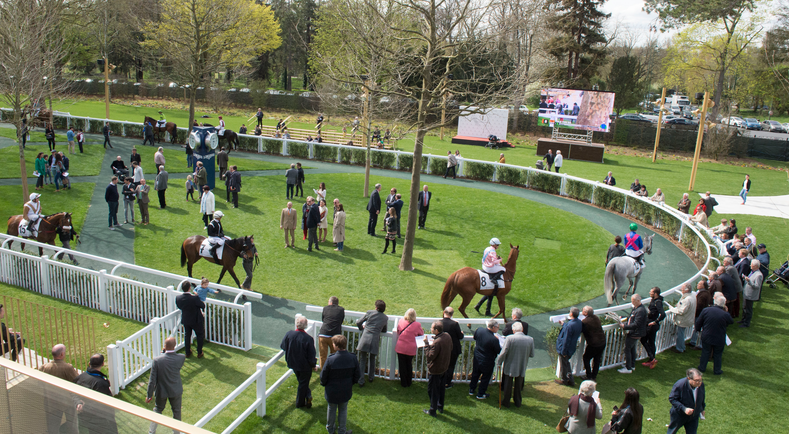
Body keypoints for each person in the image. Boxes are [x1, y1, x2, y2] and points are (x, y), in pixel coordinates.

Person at [321, 334, 360, 434]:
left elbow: (323, 376)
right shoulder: (352, 358)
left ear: (337, 346)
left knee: (331, 408)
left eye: (333, 343)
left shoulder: (331, 359)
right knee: (343, 409)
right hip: (346, 389)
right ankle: (342, 431)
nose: (332, 345)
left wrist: (324, 384)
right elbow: (357, 374)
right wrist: (351, 383)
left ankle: (330, 429)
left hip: (332, 390)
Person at [146, 337, 185, 433]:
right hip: (175, 390)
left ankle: (151, 431)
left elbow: (152, 380)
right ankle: (176, 432)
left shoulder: (157, 360)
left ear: (165, 346)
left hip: (161, 391)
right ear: (174, 346)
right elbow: (172, 358)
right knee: (176, 411)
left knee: (158, 410)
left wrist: (149, 395)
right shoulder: (181, 358)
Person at [39, 344, 79, 434]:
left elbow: (40, 383)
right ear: (61, 354)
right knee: (72, 426)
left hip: (51, 402)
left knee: (52, 428)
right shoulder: (67, 368)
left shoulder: (44, 367)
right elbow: (77, 382)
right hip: (67, 402)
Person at [75, 354, 118, 434]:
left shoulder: (80, 377)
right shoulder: (100, 383)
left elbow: (73, 393)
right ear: (102, 364)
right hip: (100, 418)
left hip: (87, 416)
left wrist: (78, 403)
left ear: (89, 363)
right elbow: (105, 403)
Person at [281, 314, 318, 408]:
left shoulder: (289, 334)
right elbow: (311, 355)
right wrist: (314, 365)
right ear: (305, 325)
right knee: (303, 383)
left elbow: (283, 346)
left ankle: (307, 396)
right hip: (305, 366)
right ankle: (300, 403)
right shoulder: (308, 339)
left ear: (296, 324)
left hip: (293, 363)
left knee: (302, 382)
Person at [496, 321, 534, 408]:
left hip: (510, 364)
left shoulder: (510, 338)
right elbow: (532, 354)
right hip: (522, 365)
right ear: (522, 329)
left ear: (513, 330)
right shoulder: (530, 339)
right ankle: (517, 402)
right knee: (518, 384)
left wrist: (499, 362)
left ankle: (506, 401)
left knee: (508, 384)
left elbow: (503, 352)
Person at [696, 294, 733, 374]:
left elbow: (699, 322)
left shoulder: (706, 310)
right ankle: (717, 370)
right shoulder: (725, 314)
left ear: (714, 302)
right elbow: (731, 321)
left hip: (707, 335)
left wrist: (697, 329)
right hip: (719, 337)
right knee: (718, 354)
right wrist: (726, 310)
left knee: (705, 352)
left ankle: (702, 368)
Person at [423, 320, 452, 416]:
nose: (430, 329)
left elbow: (429, 356)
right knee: (441, 389)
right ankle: (440, 407)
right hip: (444, 368)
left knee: (432, 390)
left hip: (436, 370)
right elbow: (450, 347)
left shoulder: (437, 342)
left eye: (431, 328)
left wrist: (426, 344)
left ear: (436, 330)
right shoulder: (447, 336)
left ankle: (432, 410)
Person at [356, 300, 388, 386]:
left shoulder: (370, 313)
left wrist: (362, 328)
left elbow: (359, 322)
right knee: (372, 359)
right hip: (375, 339)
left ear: (376, 308)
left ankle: (361, 380)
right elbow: (384, 330)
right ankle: (371, 377)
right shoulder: (385, 318)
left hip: (365, 338)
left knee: (362, 359)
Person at [469, 319, 502, 399]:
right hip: (487, 361)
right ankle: (480, 394)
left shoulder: (479, 330)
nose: (498, 329)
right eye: (497, 327)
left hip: (477, 358)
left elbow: (475, 337)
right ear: (493, 327)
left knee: (475, 374)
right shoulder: (494, 339)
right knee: (485, 378)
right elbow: (498, 351)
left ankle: (471, 390)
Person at [667, 368, 705, 434]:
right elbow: (672, 399)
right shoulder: (680, 385)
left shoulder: (700, 385)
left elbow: (701, 397)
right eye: (696, 380)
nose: (699, 382)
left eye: (700, 380)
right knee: (672, 432)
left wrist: (702, 408)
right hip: (679, 415)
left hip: (693, 416)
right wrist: (684, 409)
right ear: (689, 378)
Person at [395, 308, 424, 387]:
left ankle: (403, 382)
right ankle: (409, 381)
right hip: (410, 348)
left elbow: (398, 330)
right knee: (408, 364)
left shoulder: (401, 321)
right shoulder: (417, 325)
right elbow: (421, 334)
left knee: (402, 365)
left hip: (400, 347)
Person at [618, 294, 646, 374]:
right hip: (635, 333)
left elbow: (636, 324)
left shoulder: (640, 310)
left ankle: (628, 368)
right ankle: (631, 365)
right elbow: (631, 317)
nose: (632, 302)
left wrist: (624, 326)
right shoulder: (637, 308)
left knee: (627, 349)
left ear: (638, 300)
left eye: (633, 301)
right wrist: (622, 317)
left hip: (635, 333)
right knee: (632, 349)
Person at [176, 281, 205, 358]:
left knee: (187, 335)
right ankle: (199, 352)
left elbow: (179, 306)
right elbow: (202, 305)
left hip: (186, 319)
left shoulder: (178, 298)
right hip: (196, 320)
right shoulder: (194, 298)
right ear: (189, 288)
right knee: (200, 335)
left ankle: (187, 352)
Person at [555, 307, 582, 385]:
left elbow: (566, 339)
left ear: (571, 314)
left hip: (566, 348)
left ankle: (565, 380)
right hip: (572, 347)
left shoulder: (570, 325)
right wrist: (563, 324)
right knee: (566, 363)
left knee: (564, 364)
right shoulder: (579, 322)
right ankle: (570, 379)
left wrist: (563, 352)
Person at [640, 287, 665, 369]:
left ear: (656, 293)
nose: (649, 293)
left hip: (652, 326)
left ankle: (652, 359)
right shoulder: (654, 300)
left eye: (651, 292)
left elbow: (663, 314)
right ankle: (652, 359)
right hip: (651, 325)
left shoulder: (658, 302)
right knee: (651, 341)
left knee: (644, 340)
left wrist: (655, 321)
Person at [668, 283, 696, 354]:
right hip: (688, 318)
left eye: (682, 288)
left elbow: (681, 311)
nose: (681, 289)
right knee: (682, 333)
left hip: (683, 320)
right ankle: (682, 347)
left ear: (686, 290)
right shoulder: (693, 295)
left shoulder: (687, 299)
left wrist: (672, 309)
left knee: (680, 334)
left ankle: (680, 348)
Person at [440, 307, 464, 389]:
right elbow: (460, 336)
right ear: (452, 314)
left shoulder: (439, 322)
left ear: (444, 312)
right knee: (450, 366)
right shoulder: (455, 324)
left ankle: (441, 381)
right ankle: (447, 383)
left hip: (442, 348)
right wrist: (462, 333)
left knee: (442, 365)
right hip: (453, 349)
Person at [319, 297, 345, 369]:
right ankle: (332, 372)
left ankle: (323, 373)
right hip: (335, 337)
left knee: (322, 356)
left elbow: (323, 319)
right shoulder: (341, 310)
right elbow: (341, 321)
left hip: (323, 334)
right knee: (334, 356)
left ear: (330, 302)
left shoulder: (325, 308)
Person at [580, 306, 605, 381]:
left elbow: (581, 329)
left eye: (583, 310)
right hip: (602, 342)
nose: (582, 311)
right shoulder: (596, 318)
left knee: (586, 358)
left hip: (594, 344)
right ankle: (593, 377)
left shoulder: (585, 322)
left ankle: (589, 376)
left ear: (586, 313)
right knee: (597, 360)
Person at [740, 259, 763, 328]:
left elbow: (757, 286)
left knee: (748, 309)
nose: (750, 265)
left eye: (751, 265)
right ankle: (743, 319)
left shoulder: (759, 275)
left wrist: (749, 281)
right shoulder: (752, 271)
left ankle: (746, 323)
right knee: (744, 307)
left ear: (755, 266)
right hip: (746, 293)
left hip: (750, 295)